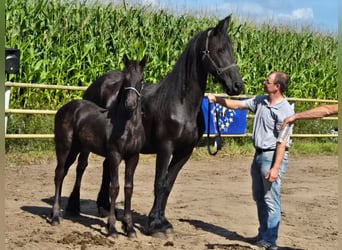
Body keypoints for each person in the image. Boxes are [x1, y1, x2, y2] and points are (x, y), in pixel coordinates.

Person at [208, 71, 294, 250]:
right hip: (259, 155)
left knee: (271, 199)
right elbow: (238, 105)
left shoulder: (285, 110)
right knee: (259, 197)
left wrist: (276, 167)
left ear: (277, 87)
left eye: (268, 81)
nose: (264, 82)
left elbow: (283, 141)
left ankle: (270, 240)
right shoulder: (261, 100)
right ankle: (263, 234)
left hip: (271, 155)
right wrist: (217, 99)